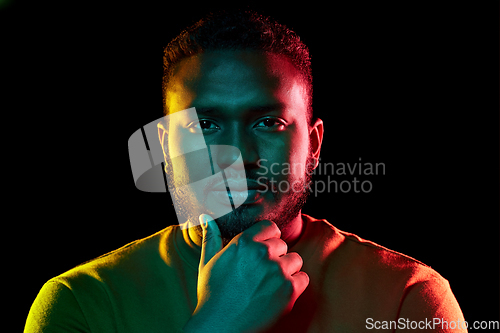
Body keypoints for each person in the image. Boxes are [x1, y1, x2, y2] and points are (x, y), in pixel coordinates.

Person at [25, 9, 466, 332]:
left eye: (268, 122)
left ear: (313, 145)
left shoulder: (408, 299)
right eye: (205, 125)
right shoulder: (80, 303)